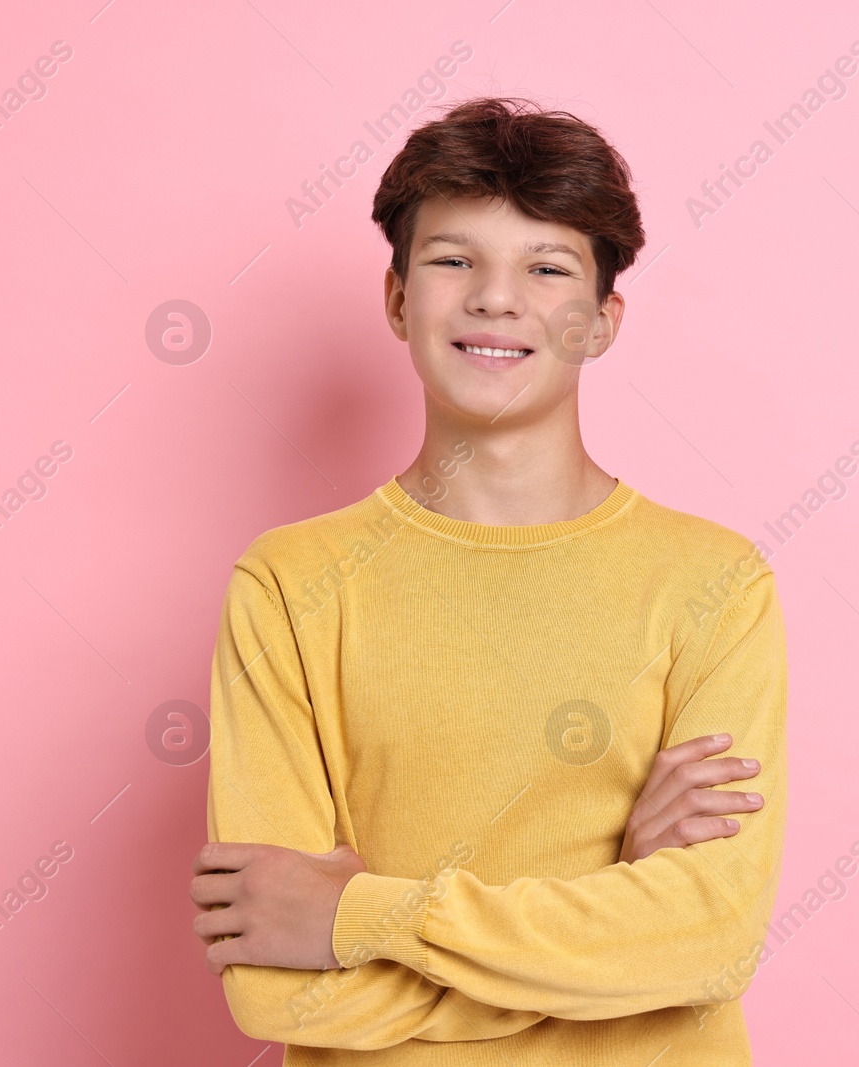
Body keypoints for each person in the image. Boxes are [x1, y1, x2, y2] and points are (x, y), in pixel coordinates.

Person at [187, 96, 788, 1065]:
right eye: (453, 260)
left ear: (600, 322)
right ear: (395, 300)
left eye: (546, 268)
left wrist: (354, 912)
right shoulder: (289, 584)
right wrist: (612, 938)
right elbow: (277, 994)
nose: (495, 299)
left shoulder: (714, 581)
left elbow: (712, 941)